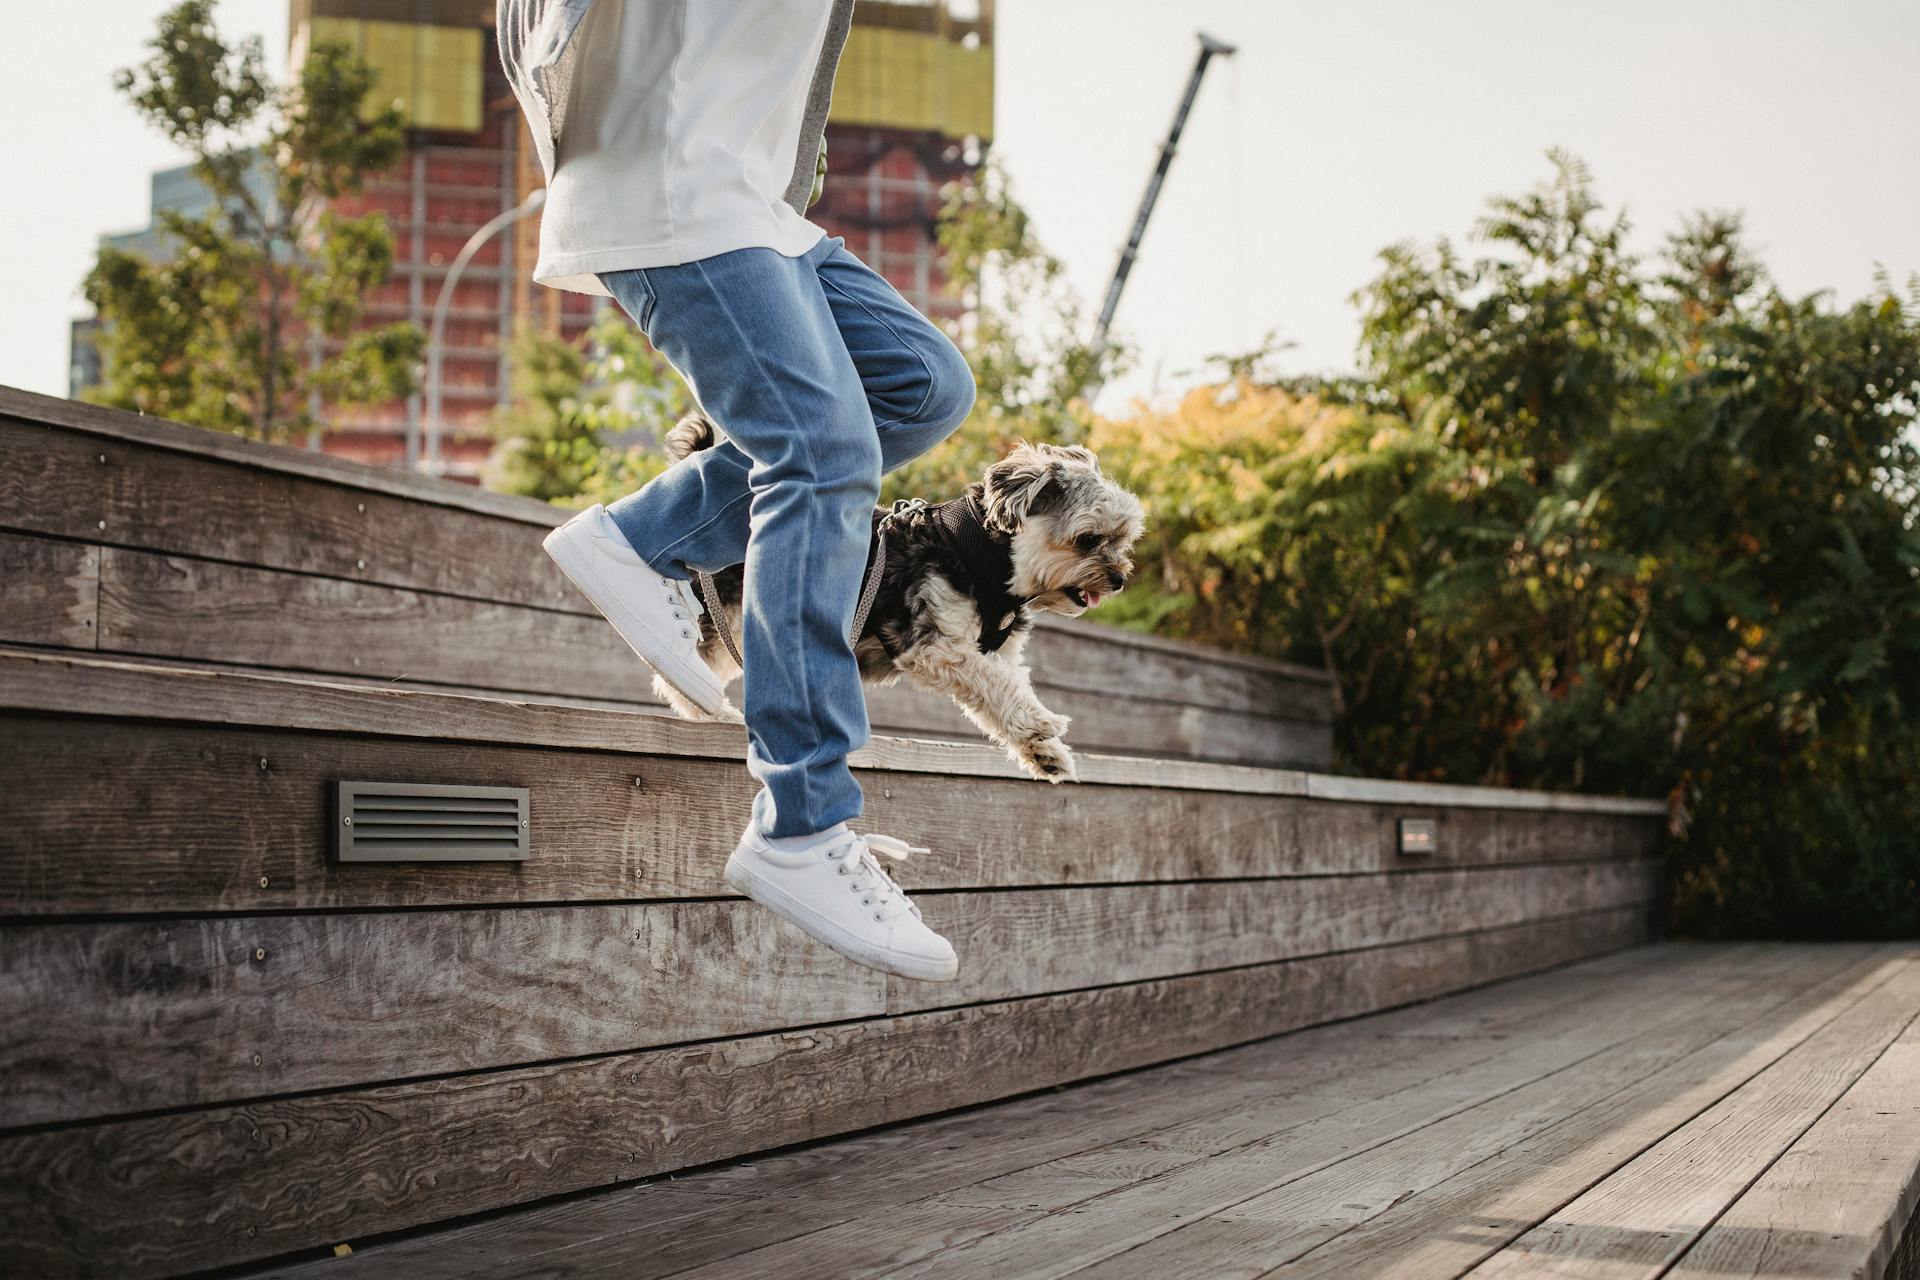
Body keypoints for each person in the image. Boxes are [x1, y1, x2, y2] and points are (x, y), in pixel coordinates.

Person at [497, 0, 976, 982]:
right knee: (823, 452)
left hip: (754, 202)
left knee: (922, 385)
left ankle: (644, 537)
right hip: (668, 181)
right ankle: (804, 819)